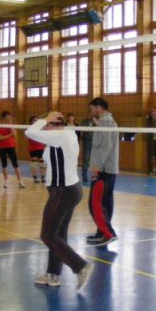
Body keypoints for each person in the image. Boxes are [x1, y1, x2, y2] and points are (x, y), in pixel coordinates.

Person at [25, 111, 93, 289]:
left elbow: (29, 132)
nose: (43, 128)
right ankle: (53, 274)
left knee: (47, 234)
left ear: (52, 125)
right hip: (66, 190)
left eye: (46, 125)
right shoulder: (63, 135)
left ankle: (80, 266)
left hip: (63, 191)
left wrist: (45, 119)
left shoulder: (61, 136)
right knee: (58, 234)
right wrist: (48, 121)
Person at [86, 97, 119, 247]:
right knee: (105, 203)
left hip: (104, 169)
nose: (91, 112)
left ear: (99, 108)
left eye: (92, 109)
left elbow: (106, 145)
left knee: (95, 204)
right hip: (109, 169)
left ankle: (108, 233)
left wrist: (97, 166)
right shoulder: (106, 122)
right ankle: (101, 232)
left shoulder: (106, 122)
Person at [0, 111, 26, 189]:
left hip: (11, 147)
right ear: (3, 117)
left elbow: (14, 134)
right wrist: (9, 135)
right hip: (2, 147)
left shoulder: (11, 125)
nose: (9, 118)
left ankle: (20, 181)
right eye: (7, 116)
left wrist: (10, 125)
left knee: (15, 164)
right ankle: (6, 181)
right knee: (4, 164)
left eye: (10, 116)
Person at [27, 115, 46, 183]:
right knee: (34, 163)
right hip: (33, 148)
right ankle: (35, 178)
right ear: (31, 122)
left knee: (42, 163)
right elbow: (30, 137)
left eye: (37, 120)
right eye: (34, 120)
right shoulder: (29, 129)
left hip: (41, 147)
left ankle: (43, 177)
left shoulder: (40, 128)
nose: (36, 121)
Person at [79, 111, 95, 183]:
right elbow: (84, 130)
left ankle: (94, 176)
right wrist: (92, 126)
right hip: (87, 141)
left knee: (95, 160)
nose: (91, 115)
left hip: (95, 142)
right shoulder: (84, 121)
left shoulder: (96, 121)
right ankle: (84, 176)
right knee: (86, 158)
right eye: (90, 113)